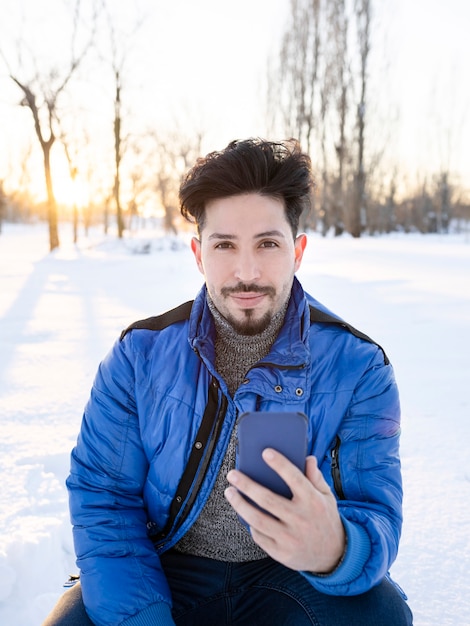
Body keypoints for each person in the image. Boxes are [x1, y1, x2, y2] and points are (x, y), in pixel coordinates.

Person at [43, 138, 412, 626]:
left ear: (297, 251)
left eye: (267, 243)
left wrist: (336, 549)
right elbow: (103, 496)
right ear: (198, 254)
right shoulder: (139, 356)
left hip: (292, 576)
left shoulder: (359, 367)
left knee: (382, 614)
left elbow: (376, 512)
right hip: (164, 568)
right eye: (224, 245)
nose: (246, 271)